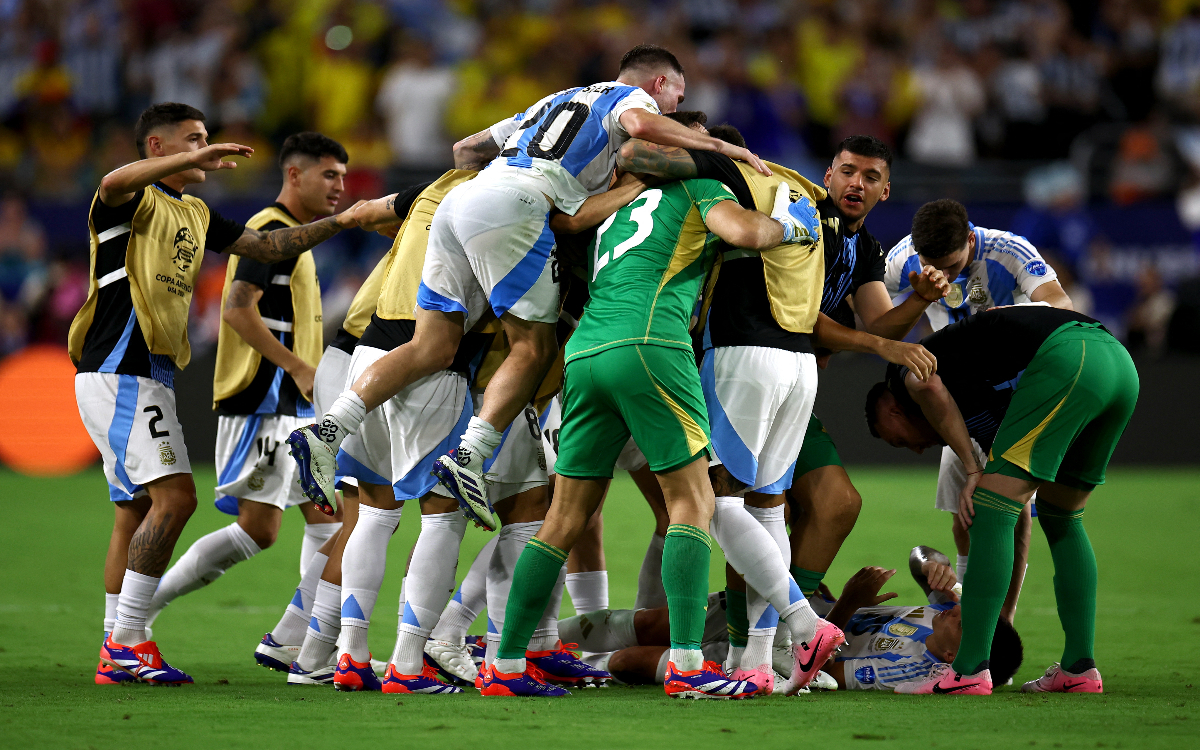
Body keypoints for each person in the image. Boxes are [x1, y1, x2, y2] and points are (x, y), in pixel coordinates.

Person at [287, 44, 773, 534]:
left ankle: (328, 431)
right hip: (517, 206)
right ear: (658, 85)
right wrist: (719, 148)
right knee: (533, 346)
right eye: (676, 97)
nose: (673, 108)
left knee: (431, 344)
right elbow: (641, 132)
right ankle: (470, 458)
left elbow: (465, 152)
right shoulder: (634, 100)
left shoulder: (552, 101)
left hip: (465, 200)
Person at [615, 125, 937, 694]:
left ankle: (799, 628)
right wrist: (883, 341)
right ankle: (760, 658)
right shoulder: (806, 206)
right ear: (826, 173)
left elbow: (639, 152)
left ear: (886, 190)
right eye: (847, 171)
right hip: (796, 368)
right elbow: (834, 324)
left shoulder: (768, 194)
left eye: (870, 177)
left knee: (710, 501)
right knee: (765, 509)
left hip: (744, 357)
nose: (855, 183)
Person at [480, 172, 823, 699]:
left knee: (564, 518)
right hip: (651, 343)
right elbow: (746, 233)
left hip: (586, 351)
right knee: (693, 501)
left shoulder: (615, 201)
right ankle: (687, 664)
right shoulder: (699, 185)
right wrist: (791, 229)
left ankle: (503, 665)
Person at [72, 102, 362, 685]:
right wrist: (188, 159)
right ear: (156, 147)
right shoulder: (129, 201)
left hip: (148, 371)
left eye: (207, 138)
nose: (208, 147)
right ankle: (128, 641)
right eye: (193, 140)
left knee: (135, 510)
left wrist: (348, 222)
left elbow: (270, 248)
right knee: (177, 498)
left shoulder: (196, 213)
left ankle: (119, 639)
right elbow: (110, 181)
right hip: (118, 366)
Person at [142, 134, 349, 673]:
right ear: (295, 175)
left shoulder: (292, 238)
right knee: (261, 529)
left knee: (333, 521)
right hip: (264, 401)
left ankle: (299, 643)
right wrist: (299, 366)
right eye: (329, 175)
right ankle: (139, 611)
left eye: (343, 177)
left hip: (290, 407)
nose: (340, 187)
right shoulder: (269, 231)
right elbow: (237, 311)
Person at [865, 306, 1138, 694]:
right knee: (1063, 517)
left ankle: (969, 670)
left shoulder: (902, 376)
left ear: (890, 409)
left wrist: (973, 471)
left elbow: (927, 385)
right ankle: (1079, 669)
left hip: (1069, 357)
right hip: (1117, 365)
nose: (912, 449)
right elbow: (1020, 505)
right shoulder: (989, 413)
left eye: (896, 438)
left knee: (989, 509)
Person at [885, 198, 1075, 621]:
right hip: (957, 398)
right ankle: (974, 616)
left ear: (970, 240)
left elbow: (1062, 306)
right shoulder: (901, 261)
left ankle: (1000, 627)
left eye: (952, 266)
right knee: (964, 515)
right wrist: (916, 300)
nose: (943, 276)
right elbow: (877, 322)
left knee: (1011, 509)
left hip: (1015, 398)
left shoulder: (1010, 251)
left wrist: (1003, 319)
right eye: (933, 265)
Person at [557, 546, 1024, 692]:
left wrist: (847, 605)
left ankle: (582, 671)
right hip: (794, 605)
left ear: (949, 658)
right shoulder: (954, 616)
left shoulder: (910, 671)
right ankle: (532, 644)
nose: (957, 611)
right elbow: (921, 554)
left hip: (783, 650)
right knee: (652, 622)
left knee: (627, 661)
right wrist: (932, 567)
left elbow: (821, 667)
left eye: (963, 624)